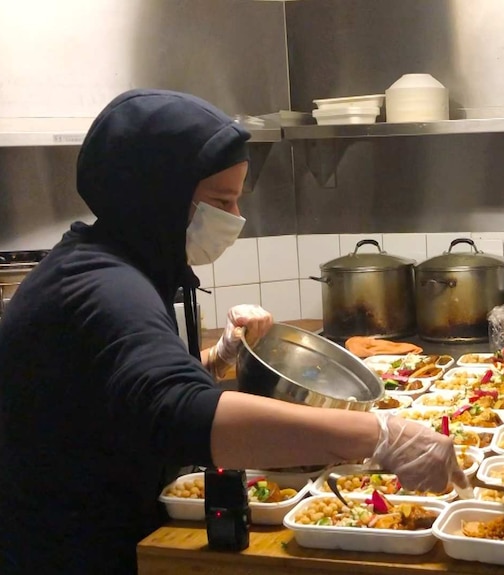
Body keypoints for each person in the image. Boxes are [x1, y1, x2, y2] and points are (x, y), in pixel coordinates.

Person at [0, 89, 466, 573]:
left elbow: (118, 391)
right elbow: (176, 412)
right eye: (220, 201)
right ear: (157, 197)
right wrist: (379, 436)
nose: (236, 219)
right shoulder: (103, 286)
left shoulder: (112, 262)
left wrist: (215, 358)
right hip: (70, 549)